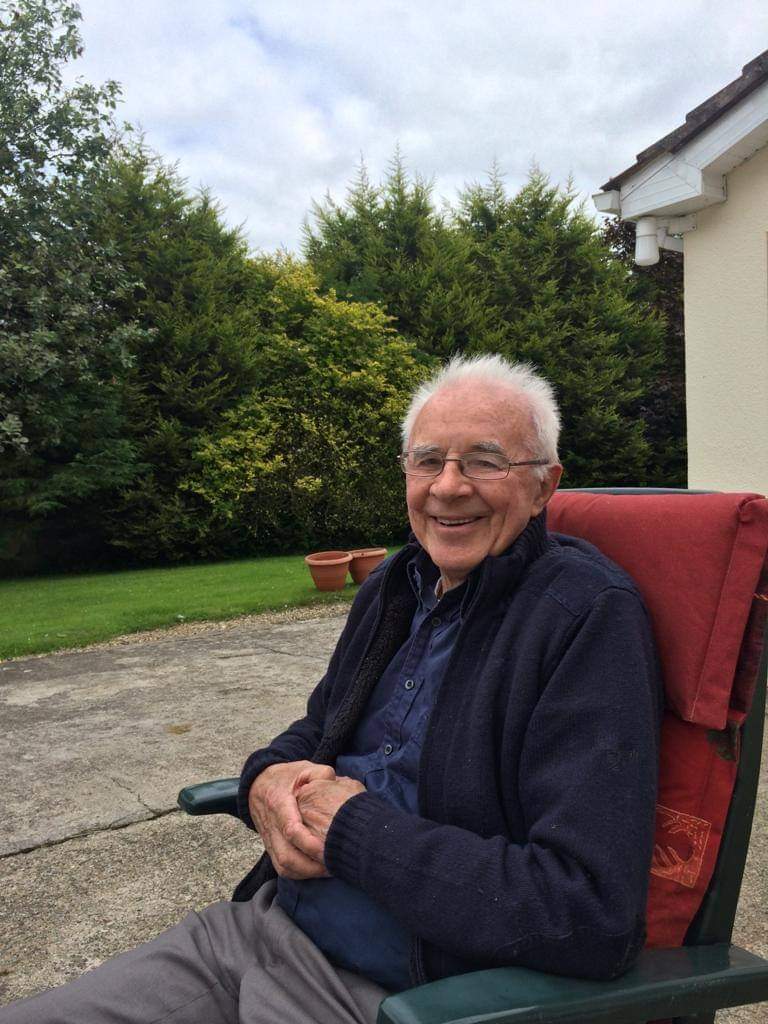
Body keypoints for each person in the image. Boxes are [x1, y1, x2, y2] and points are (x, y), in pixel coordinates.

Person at [2, 354, 661, 1024]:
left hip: (399, 997)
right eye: (428, 461)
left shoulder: (585, 618)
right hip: (257, 934)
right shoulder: (395, 587)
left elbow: (587, 913)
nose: (448, 486)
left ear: (545, 485)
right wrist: (264, 779)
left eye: (485, 461)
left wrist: (355, 831)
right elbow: (319, 731)